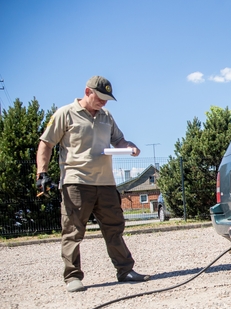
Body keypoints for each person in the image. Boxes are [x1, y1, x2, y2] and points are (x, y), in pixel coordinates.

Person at [36, 76, 152, 292]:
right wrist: (41, 173)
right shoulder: (65, 113)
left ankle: (125, 271)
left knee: (114, 228)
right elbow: (46, 143)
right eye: (100, 98)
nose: (104, 103)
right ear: (88, 92)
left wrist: (129, 146)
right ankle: (72, 277)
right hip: (76, 182)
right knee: (73, 231)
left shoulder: (106, 116)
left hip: (106, 183)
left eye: (107, 99)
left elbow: (119, 140)